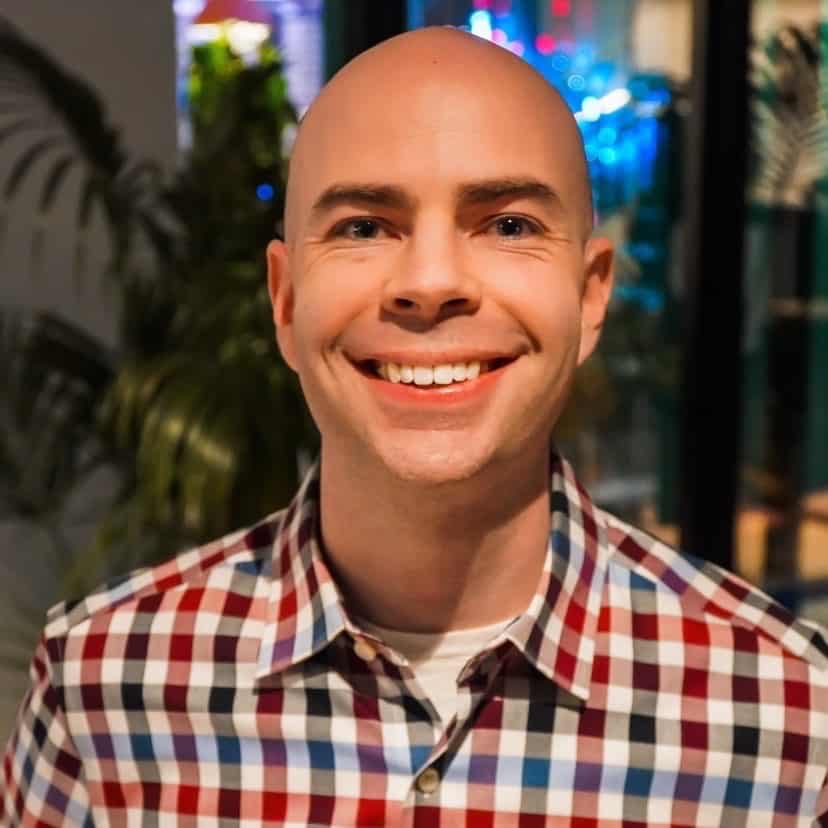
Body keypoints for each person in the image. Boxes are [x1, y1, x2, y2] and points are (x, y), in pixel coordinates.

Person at [3, 25, 828, 827]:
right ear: (285, 303)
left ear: (590, 297)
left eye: (508, 224)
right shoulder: (101, 689)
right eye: (363, 226)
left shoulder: (792, 717)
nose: (429, 283)